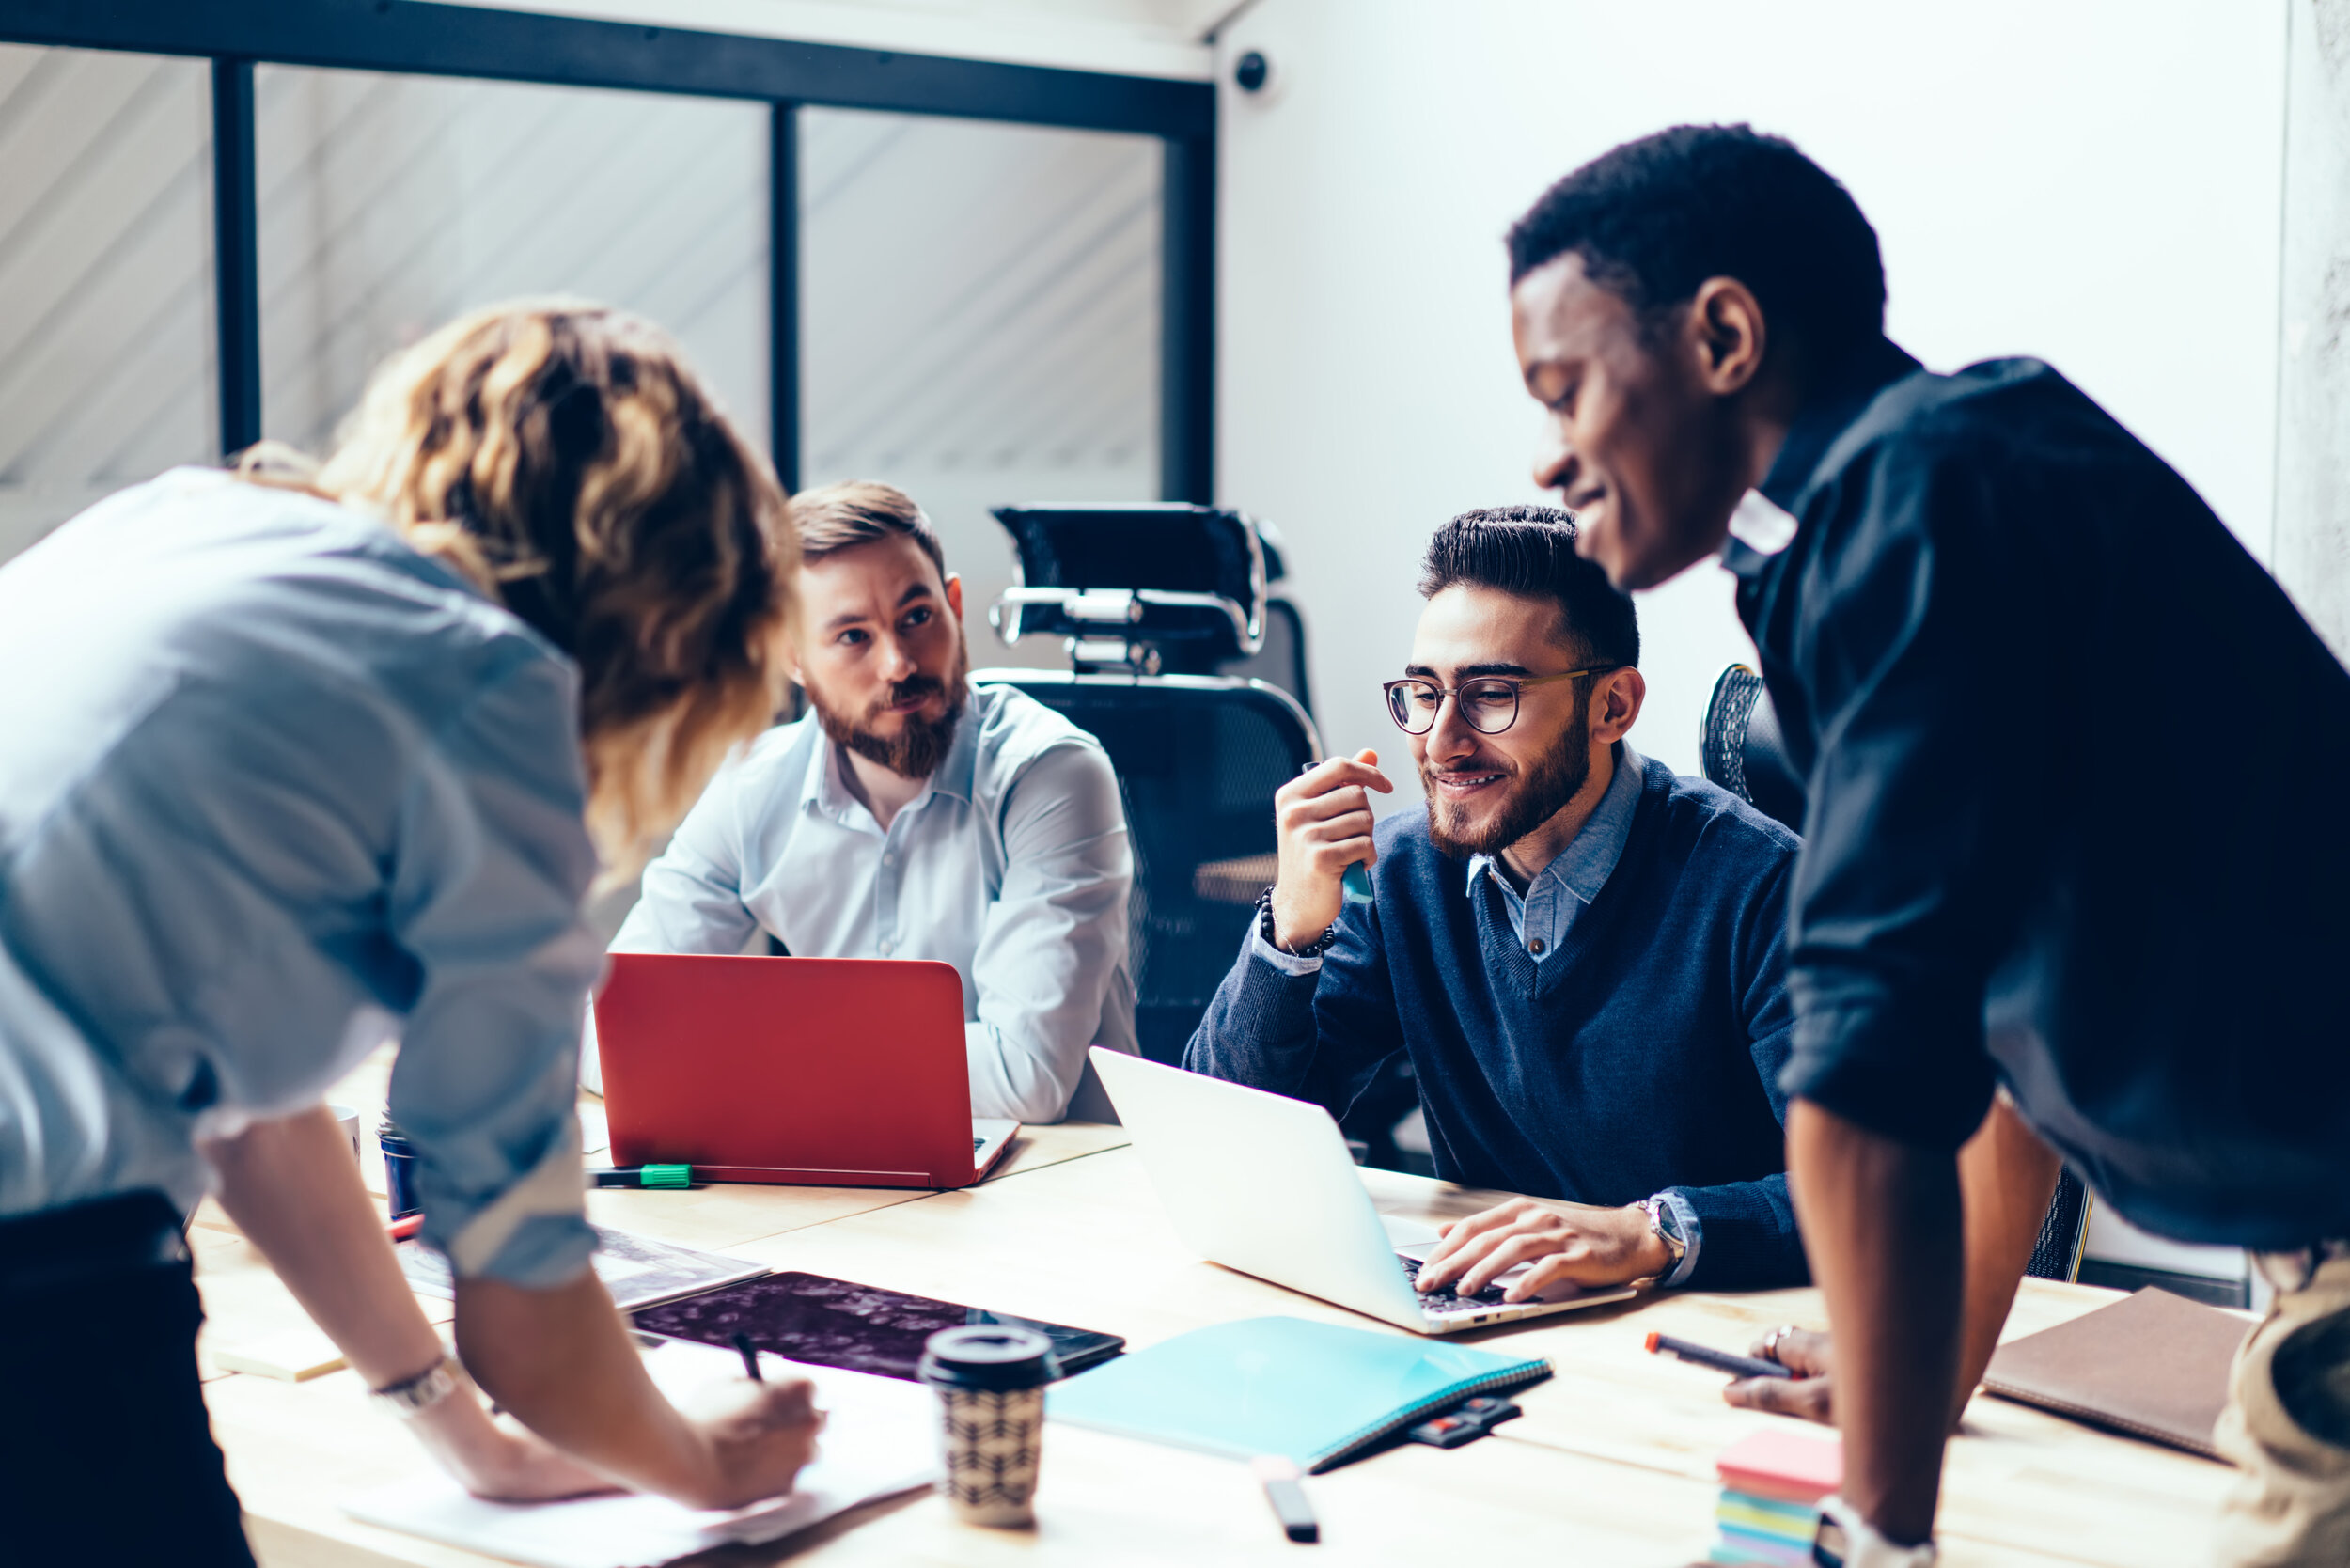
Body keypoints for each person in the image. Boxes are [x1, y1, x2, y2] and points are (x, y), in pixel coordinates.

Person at [1505, 124, 2350, 1568]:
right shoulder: (1868, 516)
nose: (1551, 449)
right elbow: (1985, 1045)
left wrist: (1879, 1534)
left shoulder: (1923, 508)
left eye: (1565, 388)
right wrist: (1927, 1383)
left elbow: (1866, 1086)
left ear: (1722, 334)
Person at [0, 303, 823, 1565]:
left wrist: (475, 1447)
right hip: (41, 1293)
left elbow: (256, 1116)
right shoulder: (491, 689)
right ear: (669, 622)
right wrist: (701, 1464)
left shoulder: (178, 526)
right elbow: (528, 1315)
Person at [1185, 506, 1806, 1295]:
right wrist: (1292, 930)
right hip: (1490, 1312)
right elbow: (1231, 1144)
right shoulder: (1409, 871)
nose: (1441, 740)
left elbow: (1877, 1191)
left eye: (1489, 695)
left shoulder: (1763, 889)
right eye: (1423, 692)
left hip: (1712, 1330)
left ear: (1612, 706)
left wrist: (1649, 1232)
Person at [586, 480, 1136, 1123]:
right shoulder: (751, 791)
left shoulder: (1050, 774)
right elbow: (609, 1035)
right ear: (792, 657)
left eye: (918, 617)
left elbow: (1025, 1077)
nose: (899, 664)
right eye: (853, 637)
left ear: (954, 607)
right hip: (845, 1175)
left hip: (1054, 1185)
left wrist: (749, 1053)